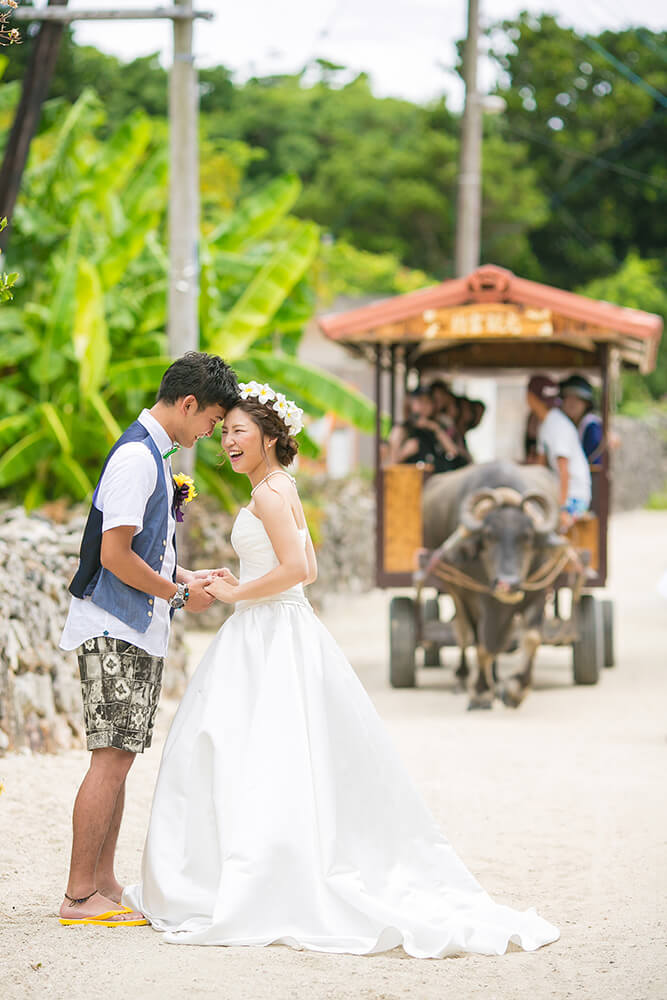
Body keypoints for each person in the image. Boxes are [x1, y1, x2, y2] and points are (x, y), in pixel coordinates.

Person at [122, 380, 559, 957]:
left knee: (252, 750)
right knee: (258, 749)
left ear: (272, 437)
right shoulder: (280, 486)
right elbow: (307, 564)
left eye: (240, 432)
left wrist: (237, 594)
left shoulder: (271, 494)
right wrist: (242, 588)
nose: (228, 441)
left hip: (268, 627)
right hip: (272, 626)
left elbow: (300, 570)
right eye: (224, 431)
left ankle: (250, 874)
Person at [58, 352, 239, 927]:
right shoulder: (138, 458)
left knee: (121, 759)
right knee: (109, 760)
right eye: (211, 420)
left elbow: (143, 550)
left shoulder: (149, 454)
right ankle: (79, 895)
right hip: (115, 628)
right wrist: (180, 596)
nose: (209, 432)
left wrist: (184, 576)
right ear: (188, 404)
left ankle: (104, 883)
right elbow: (113, 556)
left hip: (133, 627)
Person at [526, 374, 591, 532]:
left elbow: (564, 470)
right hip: (561, 493)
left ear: (532, 399)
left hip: (573, 498)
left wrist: (563, 509)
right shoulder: (547, 423)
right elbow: (539, 467)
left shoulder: (557, 425)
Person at [388, 388, 460, 473]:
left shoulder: (435, 427)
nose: (424, 406)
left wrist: (435, 428)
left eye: (428, 402)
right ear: (410, 403)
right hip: (414, 479)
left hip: (438, 476)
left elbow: (453, 451)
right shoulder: (402, 429)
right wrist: (405, 452)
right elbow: (390, 463)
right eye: (420, 401)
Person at [559, 375, 604, 466]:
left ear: (586, 403)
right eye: (568, 397)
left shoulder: (591, 426)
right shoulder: (565, 424)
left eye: (577, 399)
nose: (572, 403)